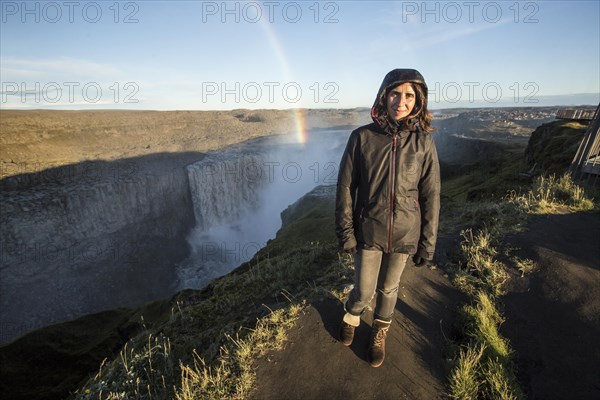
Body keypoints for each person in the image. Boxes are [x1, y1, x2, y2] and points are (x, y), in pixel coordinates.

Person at [334, 68, 440, 368]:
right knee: (364, 290)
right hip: (369, 230)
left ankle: (380, 331)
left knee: (389, 289)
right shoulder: (362, 138)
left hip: (406, 234)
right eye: (395, 93)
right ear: (384, 95)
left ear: (418, 100)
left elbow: (431, 195)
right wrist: (346, 232)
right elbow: (344, 187)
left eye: (409, 95)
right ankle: (352, 315)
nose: (401, 101)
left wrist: (427, 243)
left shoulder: (423, 143)